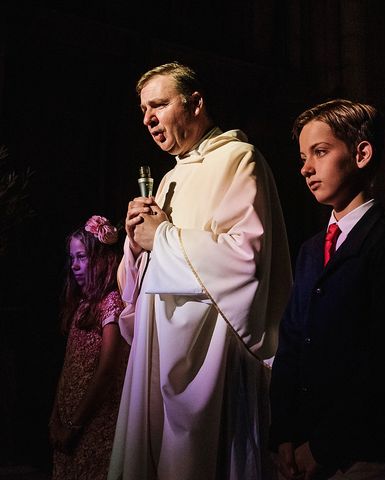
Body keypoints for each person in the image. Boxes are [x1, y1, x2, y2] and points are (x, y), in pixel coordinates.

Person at [108, 62, 292, 480]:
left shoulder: (238, 159)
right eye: (142, 110)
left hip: (210, 354)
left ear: (195, 103)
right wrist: (136, 245)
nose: (148, 118)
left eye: (158, 104)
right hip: (160, 347)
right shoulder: (171, 177)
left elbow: (246, 257)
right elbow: (144, 278)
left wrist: (165, 238)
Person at [269, 99, 385, 480]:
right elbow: (290, 342)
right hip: (305, 450)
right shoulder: (310, 250)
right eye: (303, 156)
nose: (306, 168)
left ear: (361, 153)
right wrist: (284, 434)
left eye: (320, 152)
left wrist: (322, 447)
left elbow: (378, 365)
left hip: (363, 455)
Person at [49, 215, 128, 480]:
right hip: (70, 418)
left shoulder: (111, 303)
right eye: (72, 258)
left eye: (81, 256)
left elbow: (107, 369)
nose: (75, 266)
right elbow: (69, 366)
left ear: (101, 258)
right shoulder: (83, 305)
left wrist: (74, 425)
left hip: (94, 421)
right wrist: (56, 416)